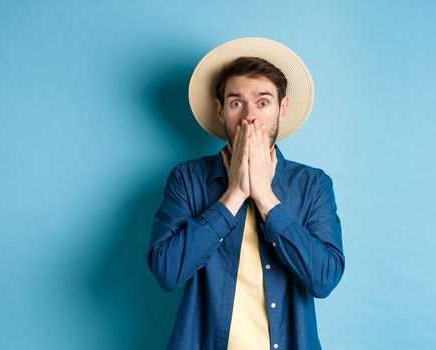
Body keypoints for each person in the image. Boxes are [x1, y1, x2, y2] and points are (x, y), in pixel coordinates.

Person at [147, 37, 344, 350]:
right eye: (236, 103)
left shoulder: (313, 184)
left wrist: (266, 197)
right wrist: (234, 194)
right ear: (221, 110)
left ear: (282, 108)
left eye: (263, 102)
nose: (249, 116)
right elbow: (168, 273)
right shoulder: (187, 178)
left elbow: (324, 279)